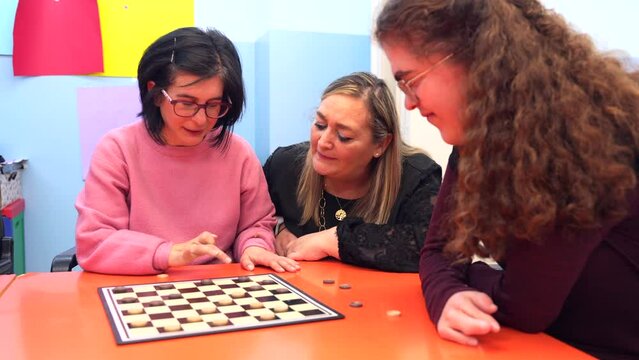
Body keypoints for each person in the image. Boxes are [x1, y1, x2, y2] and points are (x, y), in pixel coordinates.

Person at [376, 1, 639, 359]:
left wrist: (471, 275)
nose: (407, 104)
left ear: (473, 58)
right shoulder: (475, 139)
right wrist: (447, 295)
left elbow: (525, 309)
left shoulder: (580, 138)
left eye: (409, 80)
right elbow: (437, 251)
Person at [75, 27, 299, 275]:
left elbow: (256, 224)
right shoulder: (118, 150)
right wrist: (171, 253)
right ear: (156, 93)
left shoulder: (238, 153)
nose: (200, 119)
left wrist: (254, 246)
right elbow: (96, 241)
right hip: (138, 285)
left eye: (214, 105)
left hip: (220, 288)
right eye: (186, 103)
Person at [263, 72, 442, 272]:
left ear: (381, 144)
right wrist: (277, 227)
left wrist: (334, 240)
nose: (323, 143)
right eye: (320, 125)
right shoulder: (284, 165)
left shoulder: (417, 176)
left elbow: (432, 248)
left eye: (344, 136)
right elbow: (251, 221)